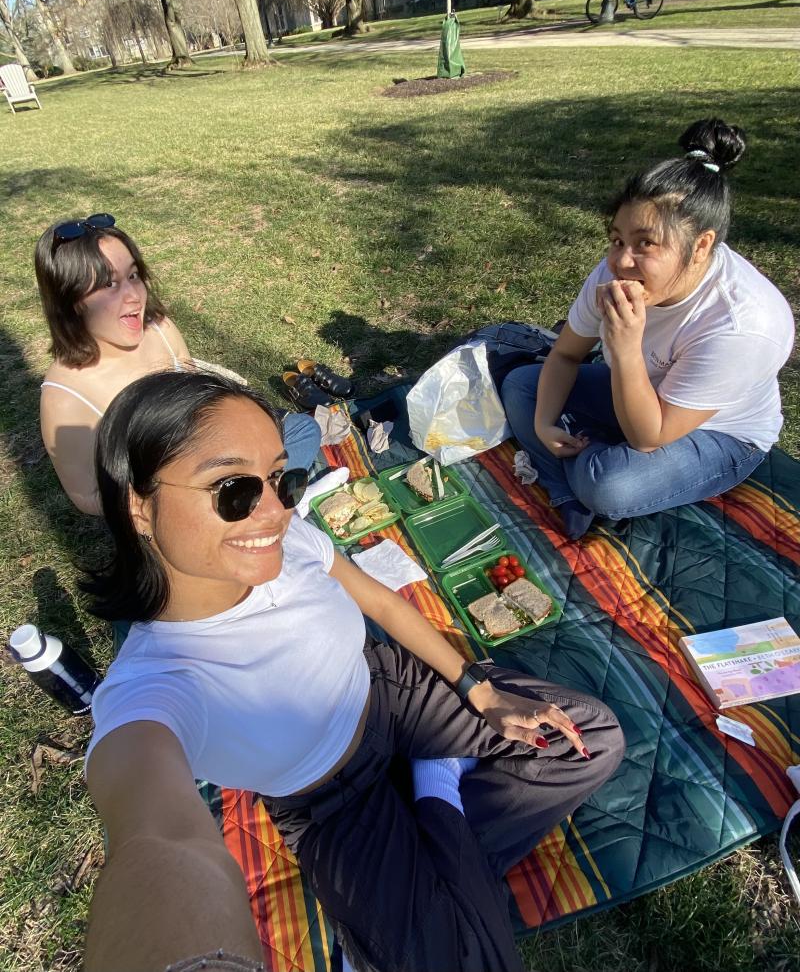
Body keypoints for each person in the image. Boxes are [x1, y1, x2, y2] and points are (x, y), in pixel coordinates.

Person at [82, 369, 624, 972]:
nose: (272, 514)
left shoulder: (293, 545)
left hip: (394, 691)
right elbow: (156, 840)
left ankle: (431, 803)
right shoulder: (155, 686)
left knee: (590, 739)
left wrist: (478, 689)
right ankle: (437, 804)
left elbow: (383, 603)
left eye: (283, 480)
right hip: (330, 804)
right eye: (233, 489)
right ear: (139, 505)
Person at [501, 119, 795, 540]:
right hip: (645, 396)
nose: (622, 261)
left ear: (702, 247)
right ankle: (566, 489)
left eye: (646, 244)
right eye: (617, 239)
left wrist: (623, 349)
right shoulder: (611, 272)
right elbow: (565, 354)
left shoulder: (743, 325)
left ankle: (582, 479)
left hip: (720, 433)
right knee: (522, 386)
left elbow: (648, 436)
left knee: (610, 484)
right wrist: (546, 423)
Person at [34, 214, 321, 515]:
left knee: (302, 429)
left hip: (209, 447)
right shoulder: (66, 396)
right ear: (72, 300)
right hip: (167, 503)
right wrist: (167, 494)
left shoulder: (160, 329)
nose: (133, 296)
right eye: (109, 284)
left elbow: (198, 399)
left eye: (133, 276)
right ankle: (266, 510)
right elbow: (87, 496)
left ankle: (257, 507)